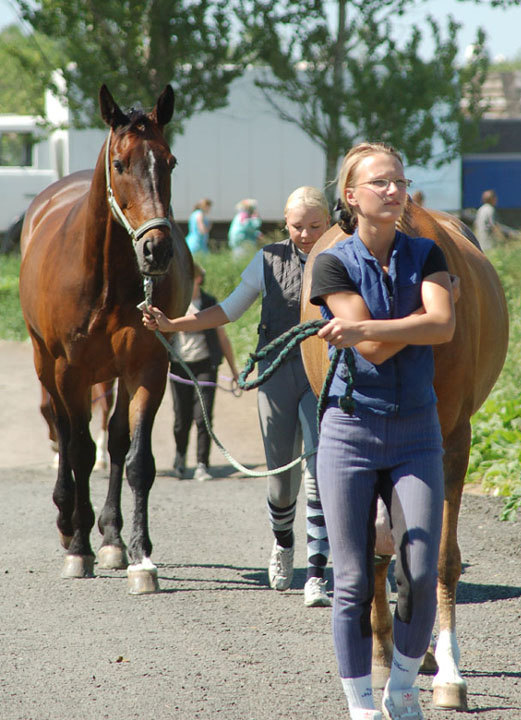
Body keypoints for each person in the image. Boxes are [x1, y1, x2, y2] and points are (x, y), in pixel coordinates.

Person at [309, 142, 456, 720]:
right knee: (350, 583)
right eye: (380, 183)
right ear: (351, 197)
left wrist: (380, 324)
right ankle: (361, 705)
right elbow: (373, 346)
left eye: (399, 181)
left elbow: (442, 327)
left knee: (419, 569)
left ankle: (402, 686)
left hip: (418, 431)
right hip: (348, 432)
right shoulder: (331, 263)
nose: (394, 190)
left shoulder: (428, 252)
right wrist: (413, 322)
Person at [142, 186, 333, 608]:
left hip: (323, 376)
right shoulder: (268, 260)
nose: (305, 234)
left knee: (321, 475)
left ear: (330, 223)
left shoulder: (343, 255)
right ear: (285, 224)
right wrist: (173, 324)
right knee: (282, 485)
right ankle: (283, 545)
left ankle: (318, 573)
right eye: (298, 226)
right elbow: (227, 310)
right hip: (277, 374)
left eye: (315, 226)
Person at [170, 263, 239, 482]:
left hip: (205, 366)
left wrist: (234, 370)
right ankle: (180, 458)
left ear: (199, 279)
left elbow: (222, 339)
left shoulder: (209, 303)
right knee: (181, 419)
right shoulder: (174, 304)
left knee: (203, 417)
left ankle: (202, 464)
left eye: (191, 277)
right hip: (180, 366)